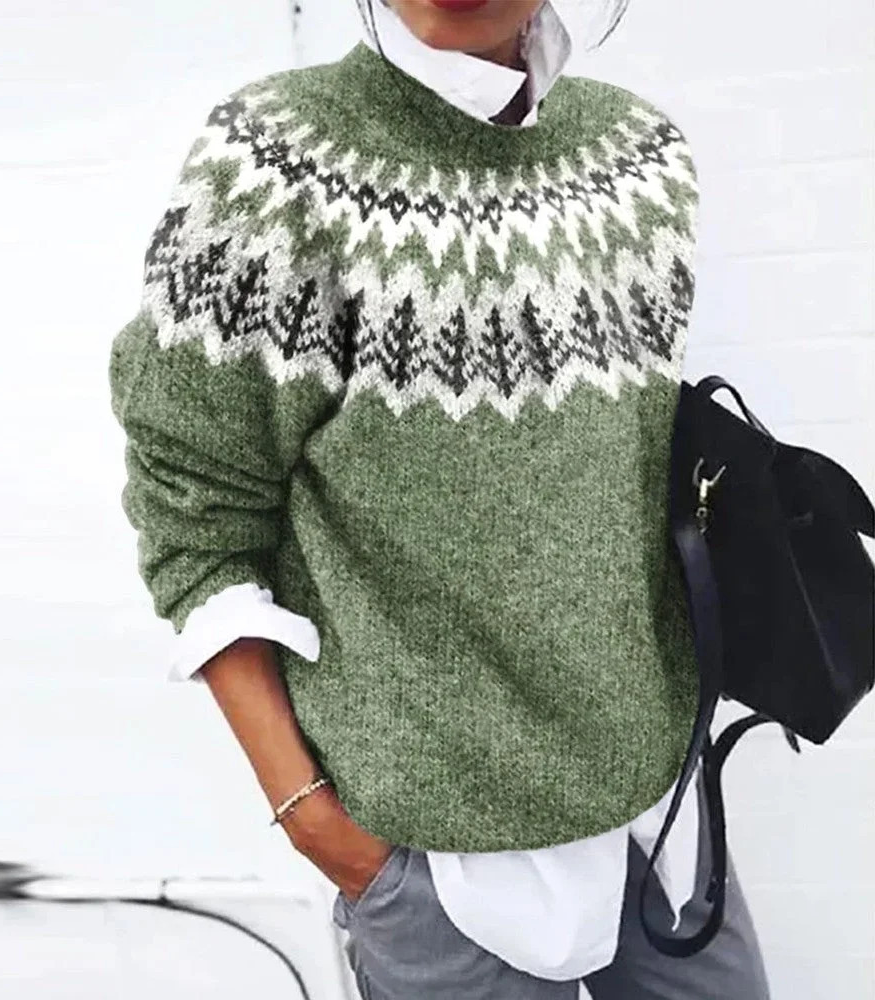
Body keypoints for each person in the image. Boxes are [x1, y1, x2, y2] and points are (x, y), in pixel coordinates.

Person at [108, 1, 772, 996]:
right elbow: (194, 519)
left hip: (659, 813)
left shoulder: (639, 157)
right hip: (427, 854)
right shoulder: (277, 166)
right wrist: (315, 821)